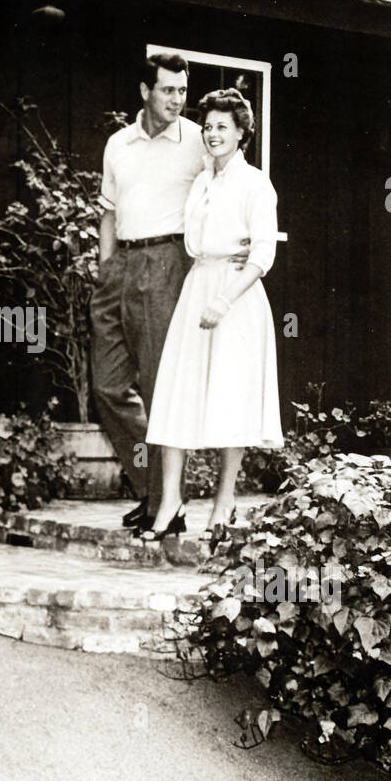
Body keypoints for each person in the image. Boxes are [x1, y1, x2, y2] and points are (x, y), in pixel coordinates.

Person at [91, 55, 248, 531]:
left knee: (162, 388)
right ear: (145, 91)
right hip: (120, 265)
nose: (178, 100)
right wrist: (104, 266)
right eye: (168, 91)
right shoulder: (118, 143)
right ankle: (153, 487)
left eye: (182, 91)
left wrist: (240, 244)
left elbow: (231, 182)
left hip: (167, 263)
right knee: (107, 385)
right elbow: (108, 212)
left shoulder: (198, 143)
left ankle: (166, 501)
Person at [140, 88, 283, 547]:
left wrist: (224, 300)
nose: (213, 133)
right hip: (198, 285)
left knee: (230, 399)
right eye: (208, 126)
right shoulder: (202, 181)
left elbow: (263, 253)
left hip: (235, 299)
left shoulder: (255, 184)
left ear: (242, 132)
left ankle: (224, 503)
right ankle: (170, 503)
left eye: (223, 126)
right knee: (177, 394)